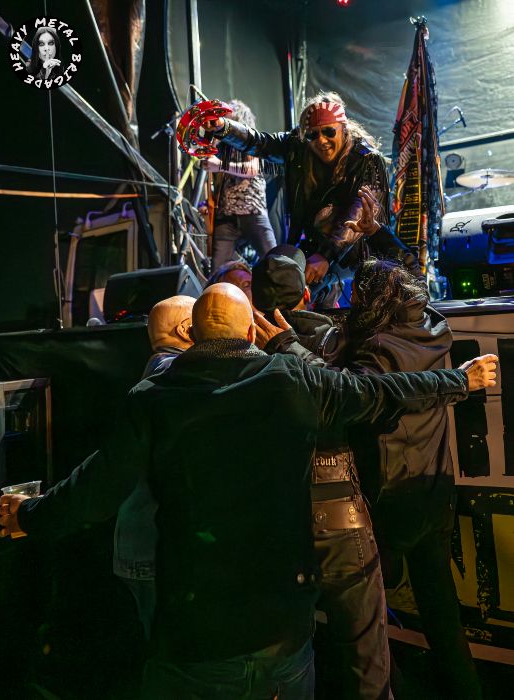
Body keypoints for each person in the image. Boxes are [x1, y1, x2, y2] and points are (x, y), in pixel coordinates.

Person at [0, 284, 496, 700]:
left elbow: (94, 490)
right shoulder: (292, 381)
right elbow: (383, 392)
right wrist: (460, 379)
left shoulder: (152, 400)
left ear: (194, 334)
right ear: (250, 332)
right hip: (284, 634)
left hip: (198, 638)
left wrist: (28, 515)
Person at [252, 240, 390, 700]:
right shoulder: (338, 339)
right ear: (307, 295)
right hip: (339, 514)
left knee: (288, 659)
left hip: (275, 520)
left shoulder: (241, 346)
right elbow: (360, 399)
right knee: (365, 658)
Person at [345, 259, 485, 700]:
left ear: (372, 299)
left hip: (388, 499)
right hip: (434, 491)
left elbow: (352, 396)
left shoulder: (375, 349)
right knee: (441, 610)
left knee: (367, 615)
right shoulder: (435, 328)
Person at [204, 91, 391, 307]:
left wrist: (326, 256)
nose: (321, 140)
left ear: (344, 128)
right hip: (315, 245)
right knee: (279, 274)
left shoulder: (367, 159)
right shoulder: (299, 145)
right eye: (313, 134)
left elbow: (356, 216)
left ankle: (322, 301)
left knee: (300, 287)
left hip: (356, 251)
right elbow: (260, 142)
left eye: (329, 132)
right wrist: (223, 127)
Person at [114, 295, 195, 640]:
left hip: (144, 544)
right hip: (154, 548)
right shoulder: (172, 374)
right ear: (187, 329)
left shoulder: (160, 371)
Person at [202, 99, 277, 273]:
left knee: (274, 262)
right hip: (227, 216)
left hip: (252, 210)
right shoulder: (222, 147)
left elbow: (252, 169)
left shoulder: (249, 140)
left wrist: (220, 165)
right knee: (217, 271)